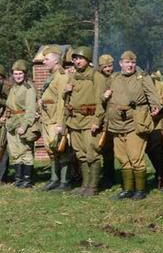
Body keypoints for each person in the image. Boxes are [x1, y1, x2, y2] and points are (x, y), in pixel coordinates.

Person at [104, 50, 161, 199]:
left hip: (135, 122)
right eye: (127, 62)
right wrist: (104, 96)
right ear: (121, 63)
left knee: (136, 157)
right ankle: (128, 189)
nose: (130, 65)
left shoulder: (142, 78)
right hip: (116, 124)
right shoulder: (114, 78)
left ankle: (140, 190)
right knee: (123, 158)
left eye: (133, 62)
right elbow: (104, 96)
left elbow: (152, 94)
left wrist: (155, 106)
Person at [65, 46, 104, 196]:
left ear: (87, 60)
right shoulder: (73, 76)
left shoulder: (96, 76)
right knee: (80, 153)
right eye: (75, 59)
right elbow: (67, 100)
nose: (78, 61)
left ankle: (93, 186)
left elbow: (101, 101)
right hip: (74, 121)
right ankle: (85, 184)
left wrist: (97, 120)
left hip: (89, 120)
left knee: (91, 153)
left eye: (81, 58)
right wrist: (65, 91)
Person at [38, 46, 72, 191]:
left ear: (56, 60)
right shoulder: (51, 76)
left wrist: (60, 123)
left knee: (61, 149)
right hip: (46, 118)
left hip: (55, 120)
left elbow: (62, 102)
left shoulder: (62, 76)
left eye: (46, 59)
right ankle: (54, 179)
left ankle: (65, 181)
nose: (44, 62)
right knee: (51, 150)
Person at [5, 59, 40, 188]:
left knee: (25, 151)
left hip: (22, 122)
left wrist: (24, 126)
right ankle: (18, 178)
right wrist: (5, 117)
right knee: (15, 152)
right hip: (12, 123)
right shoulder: (13, 88)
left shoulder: (29, 88)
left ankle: (27, 180)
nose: (18, 76)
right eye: (15, 73)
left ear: (25, 74)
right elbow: (10, 106)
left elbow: (31, 109)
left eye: (20, 73)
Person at [93, 53, 116, 188]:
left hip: (112, 117)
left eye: (110, 66)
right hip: (102, 116)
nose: (108, 69)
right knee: (105, 149)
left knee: (110, 150)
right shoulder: (99, 78)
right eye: (105, 66)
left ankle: (110, 177)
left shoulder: (116, 77)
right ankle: (107, 176)